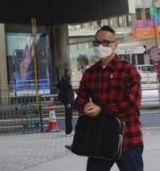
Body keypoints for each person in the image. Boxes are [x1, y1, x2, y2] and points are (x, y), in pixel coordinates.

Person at [76, 26, 143, 171]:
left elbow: (132, 104)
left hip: (128, 139)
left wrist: (101, 110)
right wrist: (85, 105)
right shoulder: (90, 73)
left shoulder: (128, 70)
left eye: (106, 42)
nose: (101, 46)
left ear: (115, 45)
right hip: (99, 140)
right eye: (97, 43)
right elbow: (80, 97)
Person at [57, 66, 75, 135]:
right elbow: (65, 92)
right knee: (69, 116)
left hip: (68, 100)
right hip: (68, 101)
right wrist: (68, 102)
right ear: (67, 72)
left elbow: (58, 85)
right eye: (70, 72)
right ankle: (68, 131)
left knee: (69, 116)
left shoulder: (65, 79)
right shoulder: (65, 80)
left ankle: (69, 130)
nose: (71, 73)